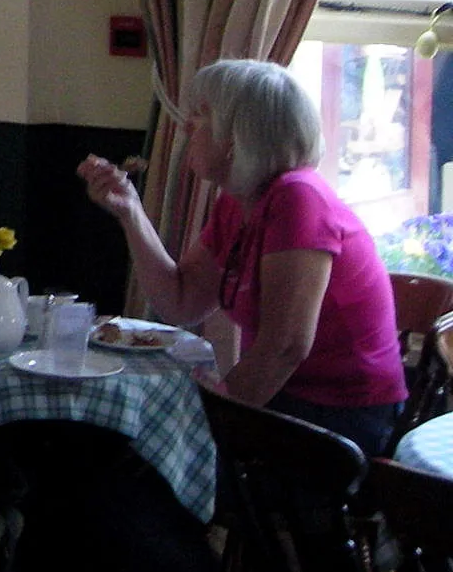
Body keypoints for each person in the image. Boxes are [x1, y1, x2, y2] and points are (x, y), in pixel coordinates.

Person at [78, 57, 407, 456]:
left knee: (143, 458)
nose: (185, 129)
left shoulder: (300, 199)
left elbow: (285, 346)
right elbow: (181, 302)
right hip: (286, 400)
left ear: (235, 138)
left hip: (338, 418)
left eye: (199, 118)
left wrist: (213, 423)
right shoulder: (239, 202)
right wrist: (130, 211)